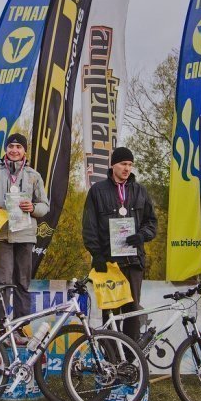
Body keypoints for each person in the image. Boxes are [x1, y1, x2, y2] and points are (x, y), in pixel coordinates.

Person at [0, 133, 49, 345]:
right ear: (6, 149)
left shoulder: (34, 176)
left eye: (19, 147)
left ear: (25, 151)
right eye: (11, 146)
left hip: (25, 235)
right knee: (3, 282)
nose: (14, 150)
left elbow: (45, 206)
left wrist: (33, 207)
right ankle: (1, 328)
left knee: (23, 282)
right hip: (1, 235)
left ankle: (20, 328)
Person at [82, 146, 157, 343]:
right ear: (113, 165)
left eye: (130, 165)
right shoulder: (97, 191)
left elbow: (151, 222)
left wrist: (142, 235)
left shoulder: (140, 191)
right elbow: (89, 226)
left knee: (132, 313)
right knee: (111, 314)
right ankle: (111, 357)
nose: (127, 168)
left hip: (134, 262)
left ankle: (131, 358)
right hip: (109, 264)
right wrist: (97, 254)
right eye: (123, 164)